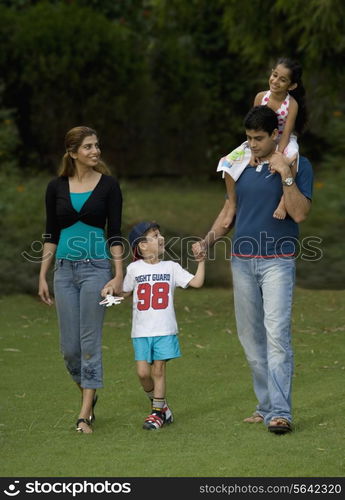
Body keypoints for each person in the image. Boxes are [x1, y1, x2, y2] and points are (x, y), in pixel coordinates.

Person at [192, 106, 313, 434]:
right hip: (242, 263)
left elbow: (299, 213)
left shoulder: (297, 164)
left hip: (278, 262)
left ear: (276, 134)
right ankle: (265, 406)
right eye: (248, 138)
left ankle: (281, 413)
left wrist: (285, 173)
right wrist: (208, 240)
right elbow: (230, 208)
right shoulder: (238, 163)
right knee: (250, 338)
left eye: (258, 138)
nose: (252, 144)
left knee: (276, 337)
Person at [38, 126, 123, 434]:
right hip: (63, 271)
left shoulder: (109, 186)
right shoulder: (55, 187)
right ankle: (90, 389)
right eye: (88, 147)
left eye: (96, 145)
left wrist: (118, 273)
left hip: (96, 270)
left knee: (89, 342)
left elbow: (114, 233)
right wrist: (43, 275)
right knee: (69, 348)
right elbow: (51, 233)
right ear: (72, 153)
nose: (95, 151)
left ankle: (84, 414)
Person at [121, 221, 205, 430]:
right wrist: (108, 290)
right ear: (142, 245)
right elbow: (124, 292)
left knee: (158, 370)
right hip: (140, 331)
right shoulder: (133, 269)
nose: (161, 238)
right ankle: (161, 406)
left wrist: (201, 262)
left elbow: (196, 282)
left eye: (160, 234)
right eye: (154, 236)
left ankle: (157, 414)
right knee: (142, 373)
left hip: (164, 329)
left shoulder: (171, 267)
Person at [218, 57, 307, 223]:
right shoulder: (261, 97)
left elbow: (286, 133)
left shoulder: (291, 104)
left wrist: (278, 156)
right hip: (261, 140)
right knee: (228, 161)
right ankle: (231, 204)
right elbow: (253, 123)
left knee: (293, 158)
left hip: (283, 140)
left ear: (292, 85)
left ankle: (283, 202)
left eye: (283, 80)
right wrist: (252, 152)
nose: (275, 81)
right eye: (274, 75)